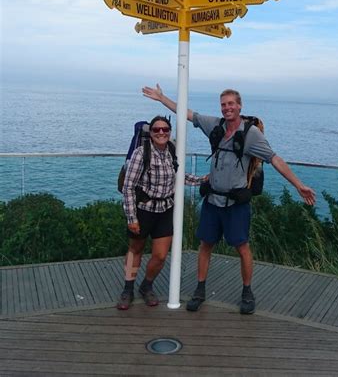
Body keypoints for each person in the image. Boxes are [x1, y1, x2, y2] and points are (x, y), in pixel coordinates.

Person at [142, 84, 316, 315]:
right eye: (223, 104)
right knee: (205, 245)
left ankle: (247, 292)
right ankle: (200, 291)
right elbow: (187, 113)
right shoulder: (215, 126)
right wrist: (162, 98)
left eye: (231, 104)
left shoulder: (251, 134)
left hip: (236, 204)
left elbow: (275, 159)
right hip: (213, 201)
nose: (227, 108)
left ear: (240, 106)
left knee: (242, 247)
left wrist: (298, 185)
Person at [117, 115, 205, 310]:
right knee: (135, 250)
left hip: (165, 210)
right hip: (143, 210)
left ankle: (146, 286)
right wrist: (131, 217)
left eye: (165, 129)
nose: (161, 133)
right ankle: (128, 289)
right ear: (150, 133)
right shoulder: (141, 154)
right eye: (156, 130)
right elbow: (128, 187)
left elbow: (178, 176)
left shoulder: (172, 151)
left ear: (170, 131)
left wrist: (201, 180)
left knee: (160, 255)